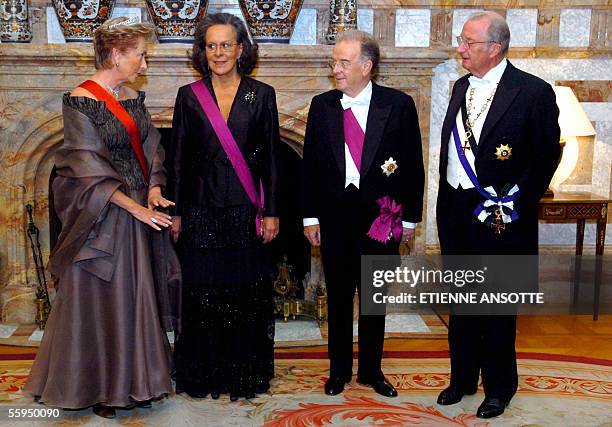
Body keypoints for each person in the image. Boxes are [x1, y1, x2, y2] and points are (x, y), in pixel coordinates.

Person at [24, 17, 180, 419]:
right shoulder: (80, 101)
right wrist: (135, 208)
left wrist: (155, 189)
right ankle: (97, 387)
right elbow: (88, 167)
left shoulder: (130, 97)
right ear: (116, 54)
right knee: (103, 300)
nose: (144, 65)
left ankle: (133, 383)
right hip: (100, 215)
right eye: (140, 56)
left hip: (137, 212)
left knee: (134, 298)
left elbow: (152, 146)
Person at [435, 11, 560, 418]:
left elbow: (544, 157)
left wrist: (513, 201)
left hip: (500, 215)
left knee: (496, 304)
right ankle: (462, 378)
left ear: (495, 47)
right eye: (462, 41)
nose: (461, 49)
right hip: (456, 209)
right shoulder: (459, 86)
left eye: (469, 43)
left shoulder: (533, 92)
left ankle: (499, 387)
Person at [300, 30, 424, 397]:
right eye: (333, 62)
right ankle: (338, 371)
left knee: (374, 299)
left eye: (343, 62)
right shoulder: (322, 106)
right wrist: (310, 218)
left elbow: (413, 167)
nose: (335, 69)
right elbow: (309, 168)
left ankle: (371, 370)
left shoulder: (398, 105)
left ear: (367, 66)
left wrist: (410, 220)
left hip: (380, 222)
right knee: (338, 299)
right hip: (335, 221)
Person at [169, 13, 280, 401]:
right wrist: (178, 212)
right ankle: (205, 372)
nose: (218, 52)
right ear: (203, 51)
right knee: (204, 291)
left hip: (244, 210)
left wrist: (271, 212)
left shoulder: (261, 94)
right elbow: (179, 158)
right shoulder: (189, 95)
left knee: (243, 292)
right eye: (211, 45)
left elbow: (270, 160)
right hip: (200, 210)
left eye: (226, 44)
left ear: (241, 49)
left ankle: (241, 373)